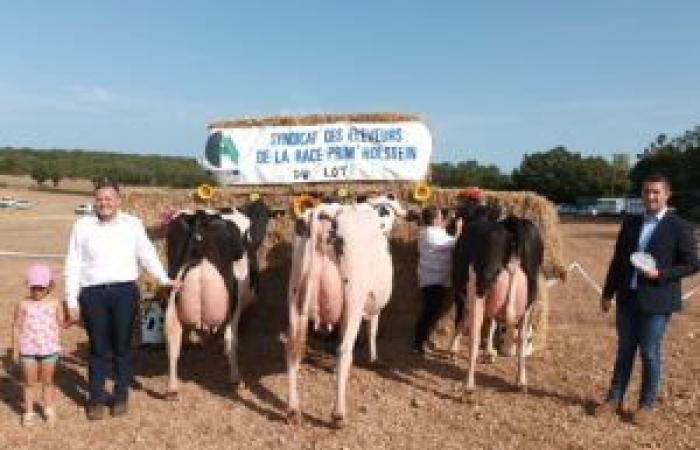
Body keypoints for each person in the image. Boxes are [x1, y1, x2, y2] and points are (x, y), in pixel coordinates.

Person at [64, 178, 179, 420]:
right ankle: (95, 399)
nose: (104, 203)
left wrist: (163, 279)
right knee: (97, 348)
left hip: (125, 292)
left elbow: (146, 253)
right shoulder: (82, 226)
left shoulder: (132, 224)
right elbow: (72, 264)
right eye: (99, 199)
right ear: (94, 201)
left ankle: (120, 397)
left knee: (122, 347)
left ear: (118, 201)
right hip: (92, 293)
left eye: (109, 199)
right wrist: (72, 300)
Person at [597, 173, 699, 425]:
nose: (650, 196)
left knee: (649, 353)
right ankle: (613, 399)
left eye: (656, 192)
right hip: (627, 299)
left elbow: (692, 264)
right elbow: (618, 261)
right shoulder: (630, 223)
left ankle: (646, 406)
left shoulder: (679, 226)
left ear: (667, 195)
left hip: (657, 301)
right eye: (646, 192)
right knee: (624, 351)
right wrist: (608, 292)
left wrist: (660, 274)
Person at [10, 264, 63, 427]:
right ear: (29, 286)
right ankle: (29, 412)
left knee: (48, 381)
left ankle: (49, 409)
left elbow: (61, 323)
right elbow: (16, 326)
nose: (37, 291)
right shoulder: (23, 304)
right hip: (28, 350)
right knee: (29, 382)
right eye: (34, 287)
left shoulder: (55, 303)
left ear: (49, 286)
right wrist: (15, 349)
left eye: (41, 287)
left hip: (49, 349)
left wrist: (72, 316)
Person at [414, 205, 462, 353]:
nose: (442, 219)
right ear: (434, 220)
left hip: (436, 278)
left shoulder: (431, 231)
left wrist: (450, 218)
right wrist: (459, 229)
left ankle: (424, 339)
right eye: (440, 216)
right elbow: (453, 243)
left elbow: (442, 229)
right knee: (430, 311)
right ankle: (418, 344)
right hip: (432, 279)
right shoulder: (430, 235)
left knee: (433, 310)